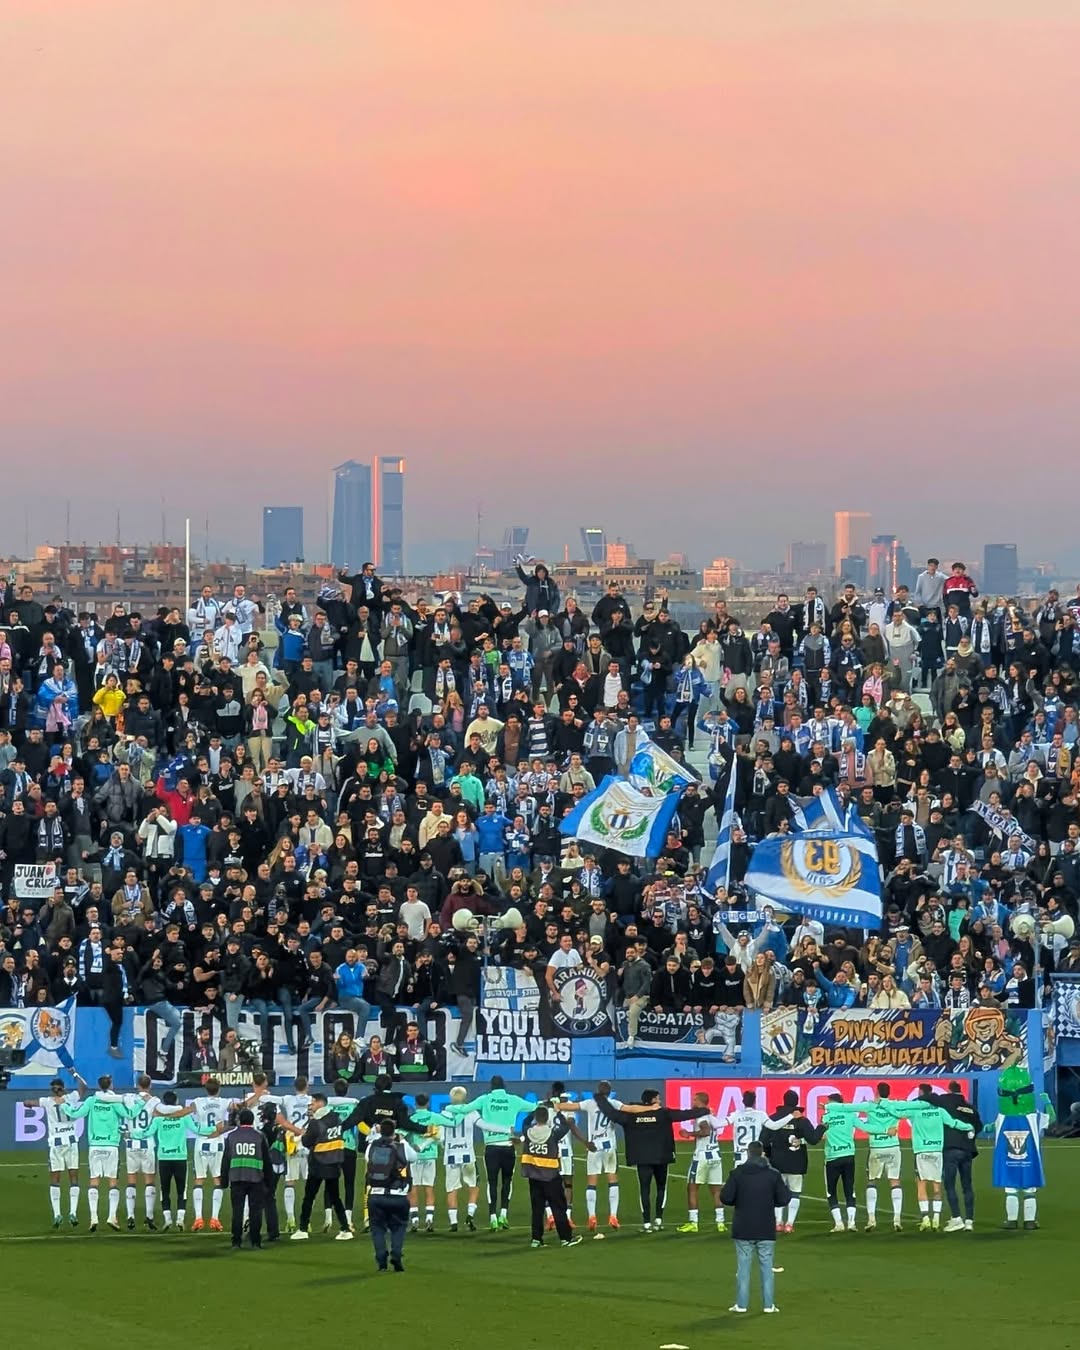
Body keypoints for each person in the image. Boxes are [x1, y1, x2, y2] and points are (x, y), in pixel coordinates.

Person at [594, 1086, 709, 1231]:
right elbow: (684, 1114)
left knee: (644, 1189)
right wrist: (704, 1110)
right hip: (662, 1157)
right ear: (653, 1099)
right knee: (661, 1188)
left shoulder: (630, 1115)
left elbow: (611, 1113)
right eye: (658, 1098)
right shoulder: (663, 1113)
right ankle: (659, 1220)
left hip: (642, 1158)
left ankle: (647, 1222)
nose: (660, 1101)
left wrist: (599, 1098)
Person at [720, 1141, 790, 1315]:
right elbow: (784, 1199)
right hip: (765, 1227)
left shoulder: (737, 1174)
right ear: (763, 1154)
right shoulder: (773, 1175)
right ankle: (768, 1305)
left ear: (748, 1154)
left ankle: (741, 1305)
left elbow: (726, 1198)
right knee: (766, 1268)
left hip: (743, 1227)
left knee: (743, 1269)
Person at [62, 1074, 136, 1232]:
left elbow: (75, 1114)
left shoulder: (91, 1100)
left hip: (95, 1145)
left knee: (93, 1181)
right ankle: (111, 1216)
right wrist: (141, 1104)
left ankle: (94, 1217)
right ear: (110, 1085)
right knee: (112, 1182)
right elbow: (129, 1114)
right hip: (111, 1146)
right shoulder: (115, 1101)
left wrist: (64, 1106)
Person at [518, 1104, 588, 1249]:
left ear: (536, 1118)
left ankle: (536, 1239)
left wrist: (534, 1111)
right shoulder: (552, 1134)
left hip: (534, 1177)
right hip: (550, 1177)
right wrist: (558, 1112)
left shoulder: (528, 1132)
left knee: (537, 1210)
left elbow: (524, 1122)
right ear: (547, 1118)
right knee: (558, 1208)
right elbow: (566, 1126)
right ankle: (565, 1238)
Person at [288, 1091, 351, 1241]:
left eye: (313, 1102)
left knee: (309, 1197)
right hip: (334, 1162)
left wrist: (298, 1138)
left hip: (318, 1164)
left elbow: (308, 1142)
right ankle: (345, 1229)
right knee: (335, 1197)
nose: (311, 1105)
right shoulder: (336, 1118)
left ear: (320, 1103)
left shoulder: (316, 1122)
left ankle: (303, 1228)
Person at [761, 1089, 819, 1232]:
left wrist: (769, 1155)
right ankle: (789, 1224)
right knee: (795, 1193)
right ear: (796, 1101)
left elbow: (763, 1140)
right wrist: (822, 1127)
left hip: (777, 1162)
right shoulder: (801, 1120)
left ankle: (778, 1222)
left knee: (777, 1192)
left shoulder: (774, 1118)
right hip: (796, 1162)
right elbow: (813, 1139)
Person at [365, 1118, 418, 1271]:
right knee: (399, 1227)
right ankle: (396, 1254)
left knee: (377, 1228)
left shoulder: (372, 1147)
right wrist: (403, 1141)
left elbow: (369, 1161)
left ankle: (381, 1259)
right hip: (398, 1195)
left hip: (375, 1195)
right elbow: (414, 1157)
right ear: (394, 1132)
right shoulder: (401, 1146)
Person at [220, 1107, 273, 1249]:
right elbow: (267, 1161)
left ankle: (236, 1242)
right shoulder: (259, 1136)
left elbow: (226, 1159)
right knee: (255, 1211)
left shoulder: (231, 1137)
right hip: (256, 1178)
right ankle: (256, 1242)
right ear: (252, 1120)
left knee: (237, 1211)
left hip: (237, 1178)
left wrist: (224, 1181)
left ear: (239, 1120)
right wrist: (269, 1181)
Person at [933, 1080, 983, 1231]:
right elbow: (978, 1126)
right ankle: (969, 1221)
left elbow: (930, 1099)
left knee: (949, 1185)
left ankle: (956, 1218)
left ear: (949, 1090)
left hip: (950, 1149)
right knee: (967, 1185)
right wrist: (969, 1138)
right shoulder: (970, 1108)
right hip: (967, 1150)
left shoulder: (945, 1101)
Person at [676, 1090, 728, 1234]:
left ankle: (693, 1222)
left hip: (702, 1156)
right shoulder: (711, 1116)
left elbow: (705, 1131)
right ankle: (720, 1222)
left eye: (695, 1100)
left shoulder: (701, 1117)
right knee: (716, 1190)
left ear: (700, 1102)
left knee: (692, 1188)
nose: (693, 1102)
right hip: (715, 1156)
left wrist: (689, 1134)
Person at [38, 1074, 83, 1227]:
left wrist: (29, 1103)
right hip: (71, 1141)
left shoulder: (47, 1101)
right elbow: (84, 1087)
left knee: (55, 1179)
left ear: (55, 1088)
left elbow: (27, 1103)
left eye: (53, 1087)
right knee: (74, 1178)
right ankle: (73, 1212)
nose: (52, 1090)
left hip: (56, 1143)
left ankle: (57, 1214)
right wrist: (76, 1075)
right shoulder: (72, 1097)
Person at [122, 1072, 162, 1231]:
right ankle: (149, 1216)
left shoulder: (130, 1099)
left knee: (131, 1180)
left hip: (132, 1144)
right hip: (147, 1144)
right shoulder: (155, 1101)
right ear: (150, 1085)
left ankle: (130, 1216)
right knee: (149, 1181)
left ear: (138, 1086)